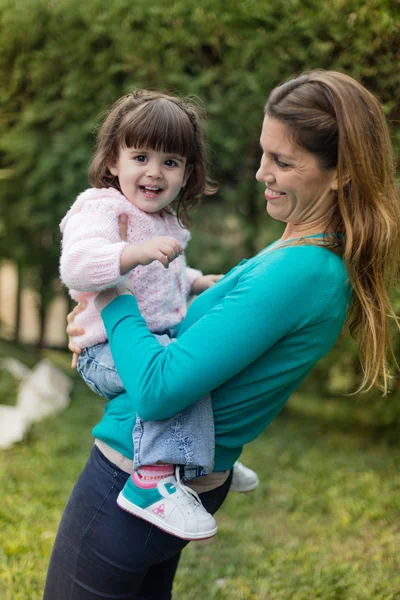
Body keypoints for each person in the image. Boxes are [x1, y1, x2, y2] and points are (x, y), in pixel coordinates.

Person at [44, 70, 400, 599]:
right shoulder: (295, 255)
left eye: (282, 162)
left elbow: (158, 388)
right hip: (178, 478)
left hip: (130, 480)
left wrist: (111, 296)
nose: (262, 173)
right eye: (264, 154)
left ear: (340, 173)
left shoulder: (302, 271)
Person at [59, 89, 258, 541]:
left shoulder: (166, 219)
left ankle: (201, 457)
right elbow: (77, 264)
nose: (154, 171)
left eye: (170, 161)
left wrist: (196, 282)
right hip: (104, 348)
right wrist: (131, 252)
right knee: (173, 379)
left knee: (194, 369)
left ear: (187, 173)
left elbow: (168, 277)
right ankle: (151, 482)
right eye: (141, 156)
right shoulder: (101, 206)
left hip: (153, 337)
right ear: (113, 161)